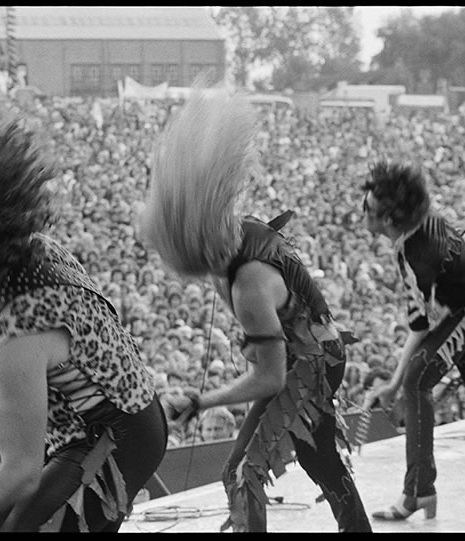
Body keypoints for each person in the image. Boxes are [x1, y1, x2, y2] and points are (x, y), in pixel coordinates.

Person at [140, 86, 371, 533]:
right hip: (309, 352)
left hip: (314, 363)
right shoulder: (235, 234)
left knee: (246, 470)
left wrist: (202, 401)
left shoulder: (248, 283)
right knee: (315, 457)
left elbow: (271, 376)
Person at [0, 111, 167, 532]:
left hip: (114, 440)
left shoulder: (16, 331)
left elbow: (21, 473)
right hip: (102, 424)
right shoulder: (27, 251)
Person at [361, 161, 465, 521]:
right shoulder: (424, 221)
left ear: (389, 219)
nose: (363, 214)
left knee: (416, 380)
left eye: (369, 210)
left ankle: (418, 491)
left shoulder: (413, 256)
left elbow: (419, 329)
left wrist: (393, 382)